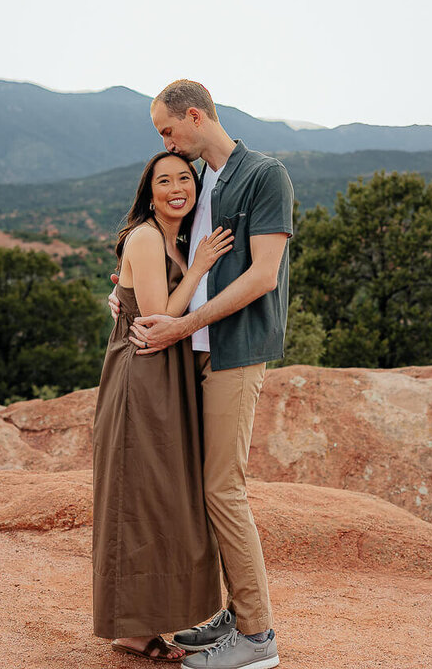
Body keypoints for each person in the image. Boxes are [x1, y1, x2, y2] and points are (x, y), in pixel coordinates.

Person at [129, 79, 294, 669]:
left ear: (194, 116)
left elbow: (263, 276)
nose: (165, 142)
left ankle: (257, 639)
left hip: (233, 352)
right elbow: (176, 252)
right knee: (198, 490)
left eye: (167, 130)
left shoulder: (265, 175)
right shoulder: (204, 181)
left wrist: (183, 324)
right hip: (192, 353)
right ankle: (234, 611)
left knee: (224, 489)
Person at [93, 151, 235, 662]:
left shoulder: (171, 240)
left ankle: (150, 620)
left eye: (184, 179)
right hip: (145, 374)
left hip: (168, 373)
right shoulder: (149, 238)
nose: (177, 188)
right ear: (148, 192)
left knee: (164, 495)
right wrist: (198, 268)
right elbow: (155, 320)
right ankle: (131, 630)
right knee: (141, 496)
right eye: (164, 181)